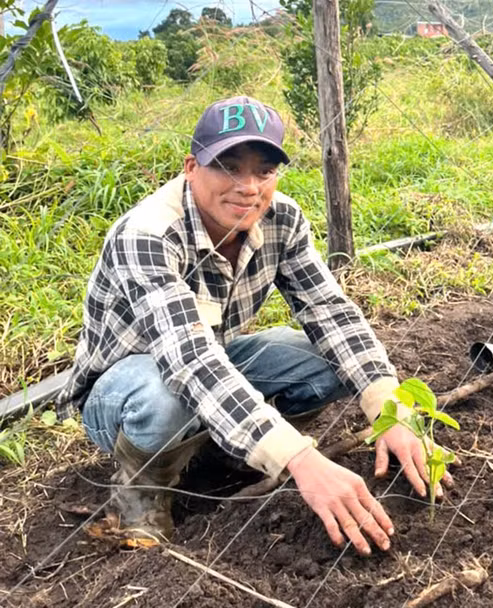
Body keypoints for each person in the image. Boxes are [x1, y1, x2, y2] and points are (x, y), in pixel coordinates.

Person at [58, 95, 449, 555]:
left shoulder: (282, 219)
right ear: (191, 167)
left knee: (324, 361)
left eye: (264, 171)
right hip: (126, 390)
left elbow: (331, 312)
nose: (248, 187)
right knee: (164, 395)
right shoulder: (147, 235)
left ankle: (226, 454)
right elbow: (188, 362)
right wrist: (299, 459)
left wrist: (391, 410)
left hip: (214, 355)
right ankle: (138, 494)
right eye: (228, 167)